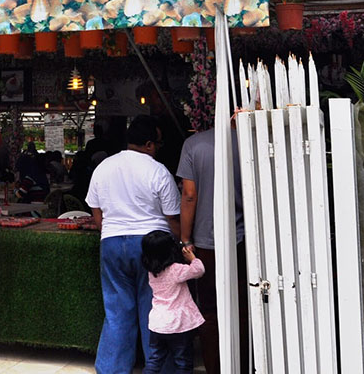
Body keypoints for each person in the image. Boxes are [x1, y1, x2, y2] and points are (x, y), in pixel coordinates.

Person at [86, 115, 181, 374]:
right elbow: (172, 216)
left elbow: (96, 210)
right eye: (158, 143)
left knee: (117, 311)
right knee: (154, 308)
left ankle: (111, 369)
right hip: (152, 245)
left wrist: (109, 230)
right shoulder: (157, 170)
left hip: (112, 242)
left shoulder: (104, 167)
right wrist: (182, 244)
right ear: (149, 144)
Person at [177, 128, 247, 374]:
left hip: (206, 242)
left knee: (209, 310)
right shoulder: (250, 139)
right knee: (242, 308)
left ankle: (215, 368)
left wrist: (185, 238)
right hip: (243, 239)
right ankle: (242, 365)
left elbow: (189, 194)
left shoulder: (193, 144)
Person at [141, 230, 205, 373]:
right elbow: (199, 270)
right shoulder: (176, 270)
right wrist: (192, 258)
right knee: (183, 362)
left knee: (155, 360)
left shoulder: (152, 272)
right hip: (178, 324)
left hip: (158, 323)